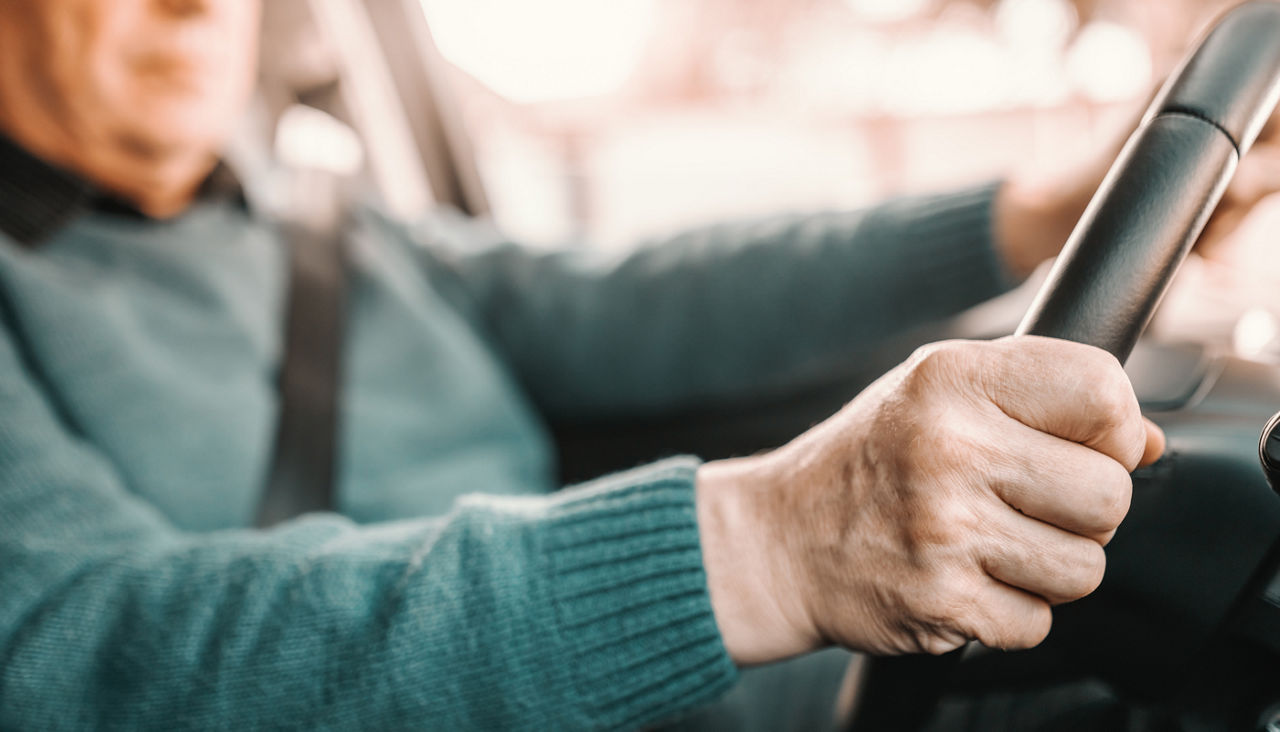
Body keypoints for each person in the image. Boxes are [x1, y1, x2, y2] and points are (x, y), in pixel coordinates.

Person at [0, 0, 1267, 729]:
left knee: (1209, 546)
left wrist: (1025, 215)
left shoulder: (339, 229)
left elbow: (646, 301)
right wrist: (770, 546)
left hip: (743, 697)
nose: (192, 7)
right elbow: (86, 644)